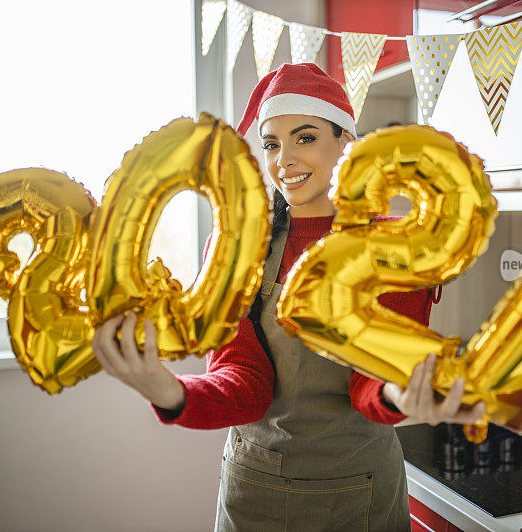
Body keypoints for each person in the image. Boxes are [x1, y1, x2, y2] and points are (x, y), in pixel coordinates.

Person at [91, 63, 486, 531]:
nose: (284, 160)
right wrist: (170, 391)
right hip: (255, 491)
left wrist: (401, 391)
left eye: (305, 137)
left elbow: (368, 383)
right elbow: (244, 378)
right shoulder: (240, 247)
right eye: (272, 144)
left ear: (346, 143)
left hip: (360, 492)